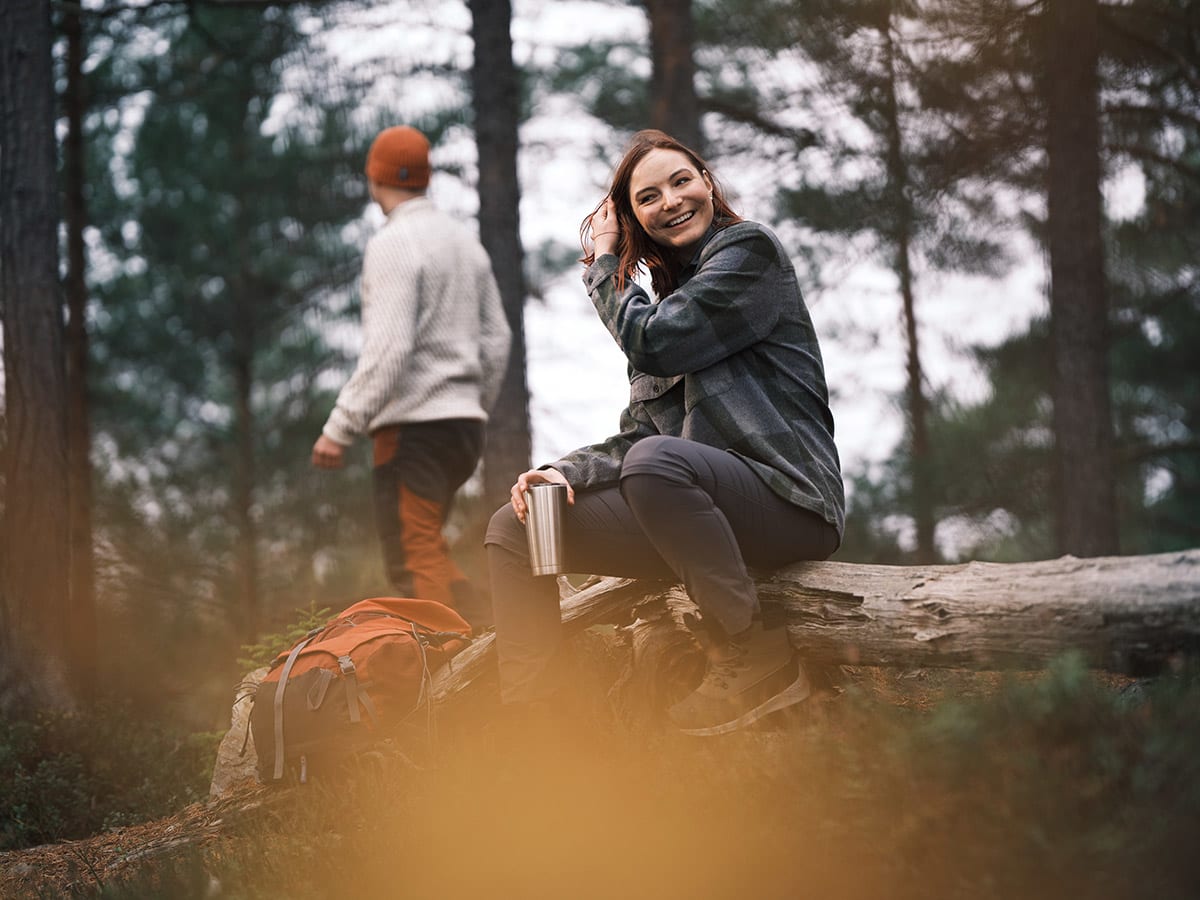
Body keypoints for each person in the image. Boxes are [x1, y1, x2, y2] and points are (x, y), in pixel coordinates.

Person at [484, 129, 845, 736]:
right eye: (648, 197)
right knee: (519, 526)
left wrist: (604, 266)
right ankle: (538, 723)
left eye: (682, 181)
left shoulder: (749, 253)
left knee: (656, 464)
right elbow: (638, 435)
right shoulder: (660, 307)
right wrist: (561, 472)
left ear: (707, 182)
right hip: (686, 505)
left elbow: (657, 346)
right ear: (637, 219)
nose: (671, 200)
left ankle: (753, 655)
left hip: (789, 503)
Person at [313, 125, 511, 625]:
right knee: (429, 548)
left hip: (412, 432)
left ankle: (456, 669)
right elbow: (497, 340)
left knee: (412, 556)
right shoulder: (464, 244)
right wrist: (472, 404)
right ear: (425, 178)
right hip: (464, 430)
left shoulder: (394, 242)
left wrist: (340, 428)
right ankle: (488, 629)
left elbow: (390, 348)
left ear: (374, 178)